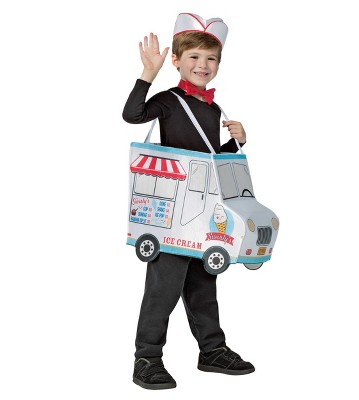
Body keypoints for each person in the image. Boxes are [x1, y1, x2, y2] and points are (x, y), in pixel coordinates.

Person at [123, 13, 253, 390]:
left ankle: (212, 350)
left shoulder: (213, 109)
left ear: (219, 65)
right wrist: (147, 74)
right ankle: (147, 358)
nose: (203, 64)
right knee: (163, 287)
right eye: (194, 57)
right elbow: (132, 115)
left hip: (203, 209)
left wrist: (236, 142)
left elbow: (212, 160)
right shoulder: (168, 100)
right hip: (170, 212)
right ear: (177, 61)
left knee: (203, 284)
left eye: (211, 58)